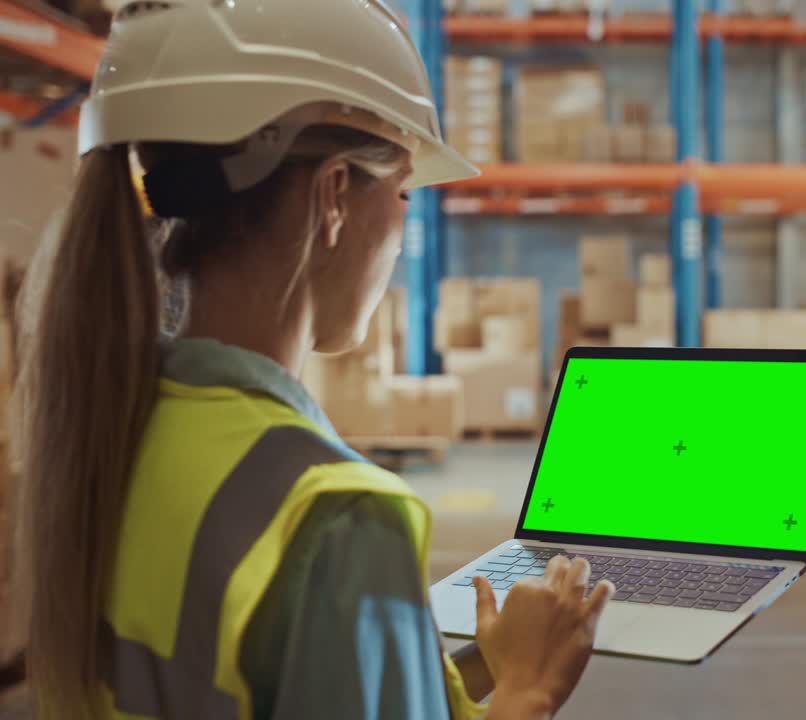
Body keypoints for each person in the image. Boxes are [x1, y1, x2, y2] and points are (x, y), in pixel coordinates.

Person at [12, 1, 613, 718]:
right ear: (333, 196)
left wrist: (491, 661)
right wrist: (530, 690)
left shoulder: (113, 426)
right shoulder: (338, 518)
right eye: (404, 192)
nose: (401, 226)